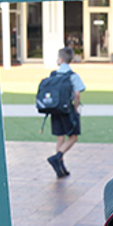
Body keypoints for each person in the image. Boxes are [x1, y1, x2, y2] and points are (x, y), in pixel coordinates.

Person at [46, 46, 84, 178]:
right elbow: (77, 94)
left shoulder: (53, 74)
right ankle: (58, 157)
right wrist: (76, 108)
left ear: (60, 59)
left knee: (60, 137)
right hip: (67, 109)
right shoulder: (73, 76)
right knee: (73, 137)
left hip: (55, 109)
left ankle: (60, 167)